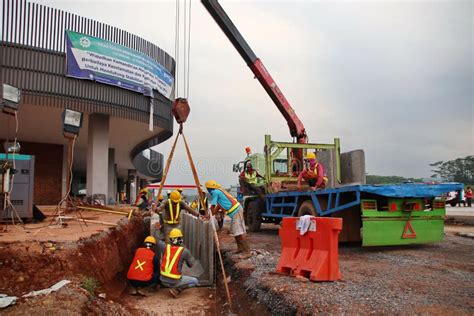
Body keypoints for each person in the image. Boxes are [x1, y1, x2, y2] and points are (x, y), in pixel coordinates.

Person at [205, 180, 251, 259]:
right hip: (235, 213)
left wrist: (207, 213)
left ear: (210, 188)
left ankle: (247, 252)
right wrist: (209, 216)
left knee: (239, 232)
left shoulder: (216, 192)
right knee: (235, 232)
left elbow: (213, 206)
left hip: (236, 211)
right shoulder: (220, 192)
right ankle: (240, 248)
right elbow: (217, 207)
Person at [158, 228, 199, 298]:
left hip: (163, 281)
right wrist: (189, 257)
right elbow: (191, 265)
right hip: (174, 282)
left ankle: (164, 285)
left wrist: (157, 229)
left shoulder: (165, 248)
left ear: (171, 240)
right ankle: (177, 289)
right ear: (180, 239)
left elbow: (157, 241)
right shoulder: (184, 251)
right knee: (195, 281)